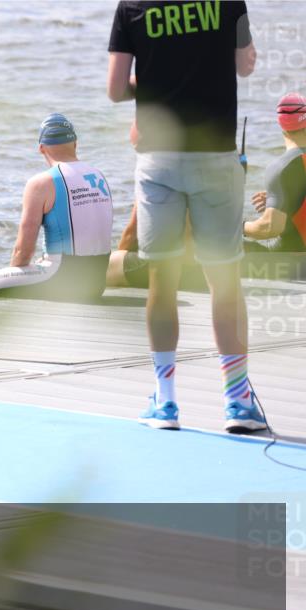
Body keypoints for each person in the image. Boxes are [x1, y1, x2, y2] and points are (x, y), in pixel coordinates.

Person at [107, 0, 263, 432]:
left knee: (163, 279)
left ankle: (166, 402)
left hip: (159, 159)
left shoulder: (131, 7)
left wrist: (154, 84)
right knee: (225, 279)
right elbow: (245, 66)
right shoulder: (231, 3)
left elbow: (116, 89)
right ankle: (237, 403)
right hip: (215, 157)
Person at [0, 114, 114, 302]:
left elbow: (22, 251)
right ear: (75, 143)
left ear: (41, 148)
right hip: (96, 283)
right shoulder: (98, 176)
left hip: (62, 280)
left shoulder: (42, 182)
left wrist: (13, 283)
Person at [244, 93, 306, 253]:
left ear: (281, 124)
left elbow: (269, 228)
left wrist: (240, 226)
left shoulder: (284, 167)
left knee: (220, 247)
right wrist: (288, 200)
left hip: (294, 261)